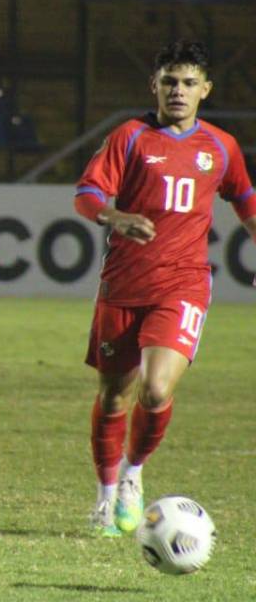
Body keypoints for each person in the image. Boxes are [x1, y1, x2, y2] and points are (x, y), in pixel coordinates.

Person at [74, 40, 256, 536]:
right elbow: (87, 194)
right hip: (123, 284)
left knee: (155, 390)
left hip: (183, 284)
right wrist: (116, 215)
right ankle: (106, 496)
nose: (179, 91)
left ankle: (133, 475)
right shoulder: (129, 137)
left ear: (206, 90)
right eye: (170, 81)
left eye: (189, 83)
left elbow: (245, 198)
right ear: (153, 85)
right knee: (114, 396)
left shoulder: (220, 146)